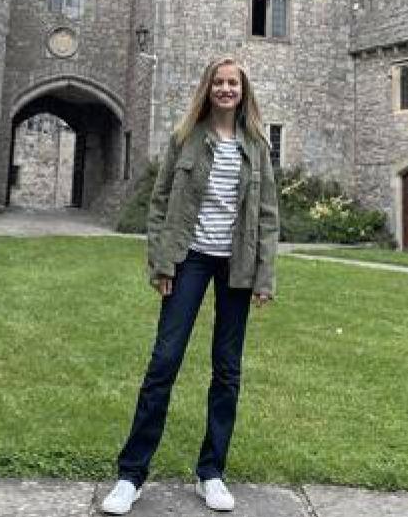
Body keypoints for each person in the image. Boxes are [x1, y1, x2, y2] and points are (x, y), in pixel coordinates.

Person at [101, 56, 279, 514]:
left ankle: (211, 473)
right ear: (208, 89)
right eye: (218, 83)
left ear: (243, 91)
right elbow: (160, 204)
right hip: (189, 259)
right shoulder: (185, 139)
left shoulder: (256, 144)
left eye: (232, 83)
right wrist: (162, 262)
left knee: (227, 370)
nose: (225, 90)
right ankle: (131, 475)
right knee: (164, 362)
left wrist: (265, 276)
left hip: (236, 266)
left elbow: (267, 217)